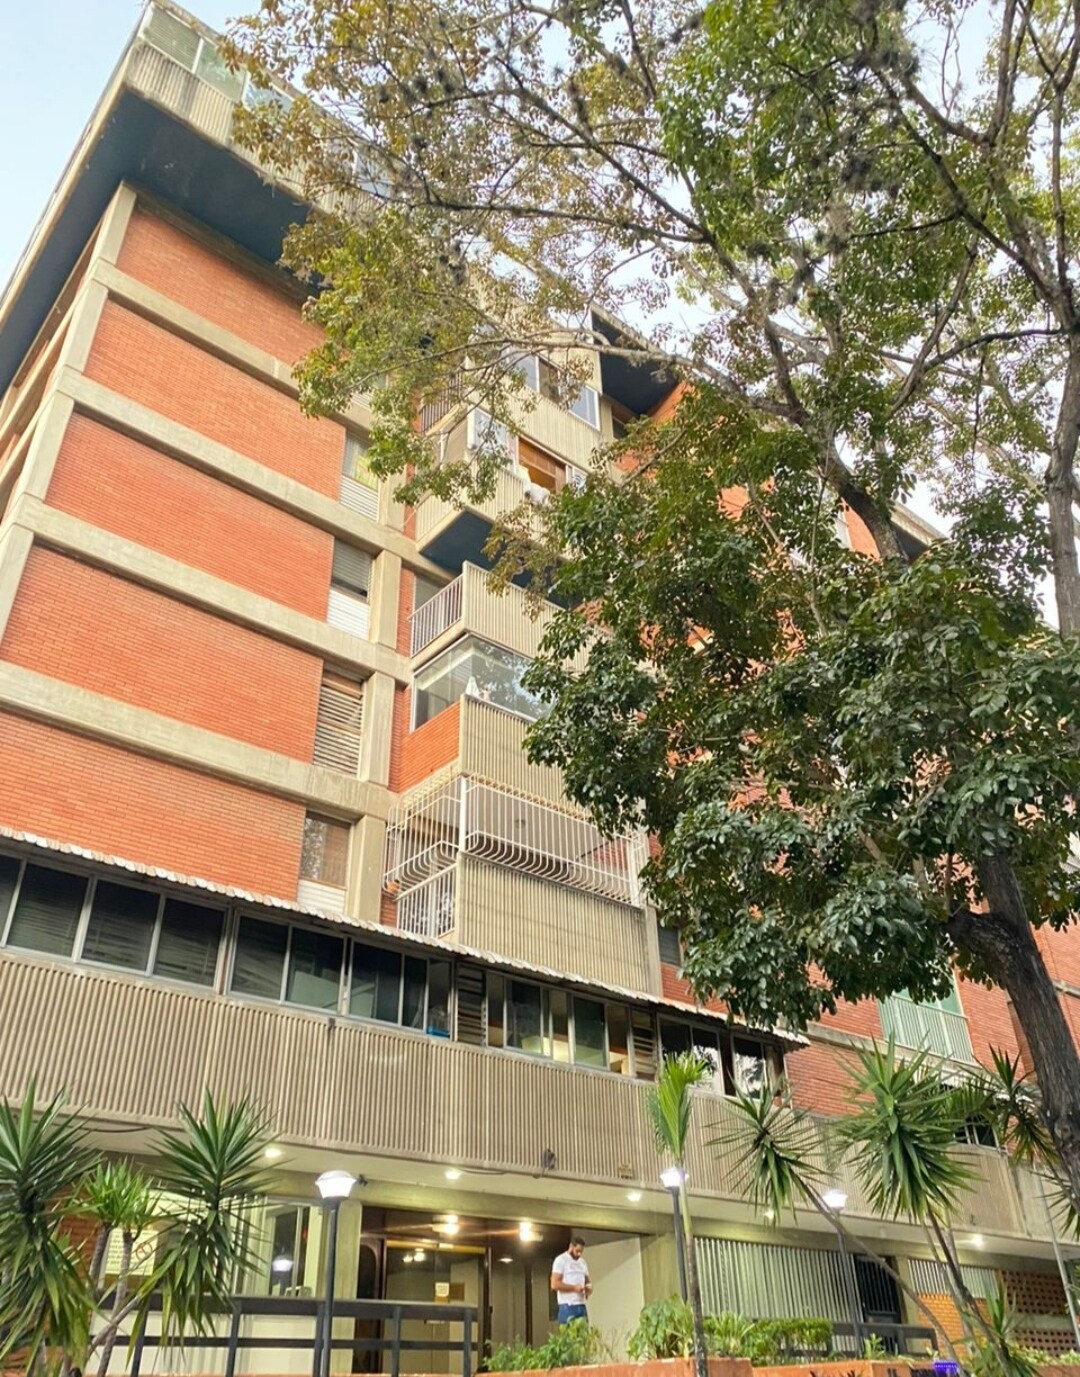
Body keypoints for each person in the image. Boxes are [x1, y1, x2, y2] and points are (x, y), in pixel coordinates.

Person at [550, 1236, 591, 1326]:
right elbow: (554, 1284)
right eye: (577, 1251)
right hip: (567, 1305)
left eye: (581, 1252)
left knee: (584, 1336)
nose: (579, 1254)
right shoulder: (561, 1260)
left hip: (581, 1304)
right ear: (571, 1247)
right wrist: (573, 1288)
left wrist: (588, 1289)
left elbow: (587, 1281)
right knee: (569, 1336)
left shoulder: (582, 1263)